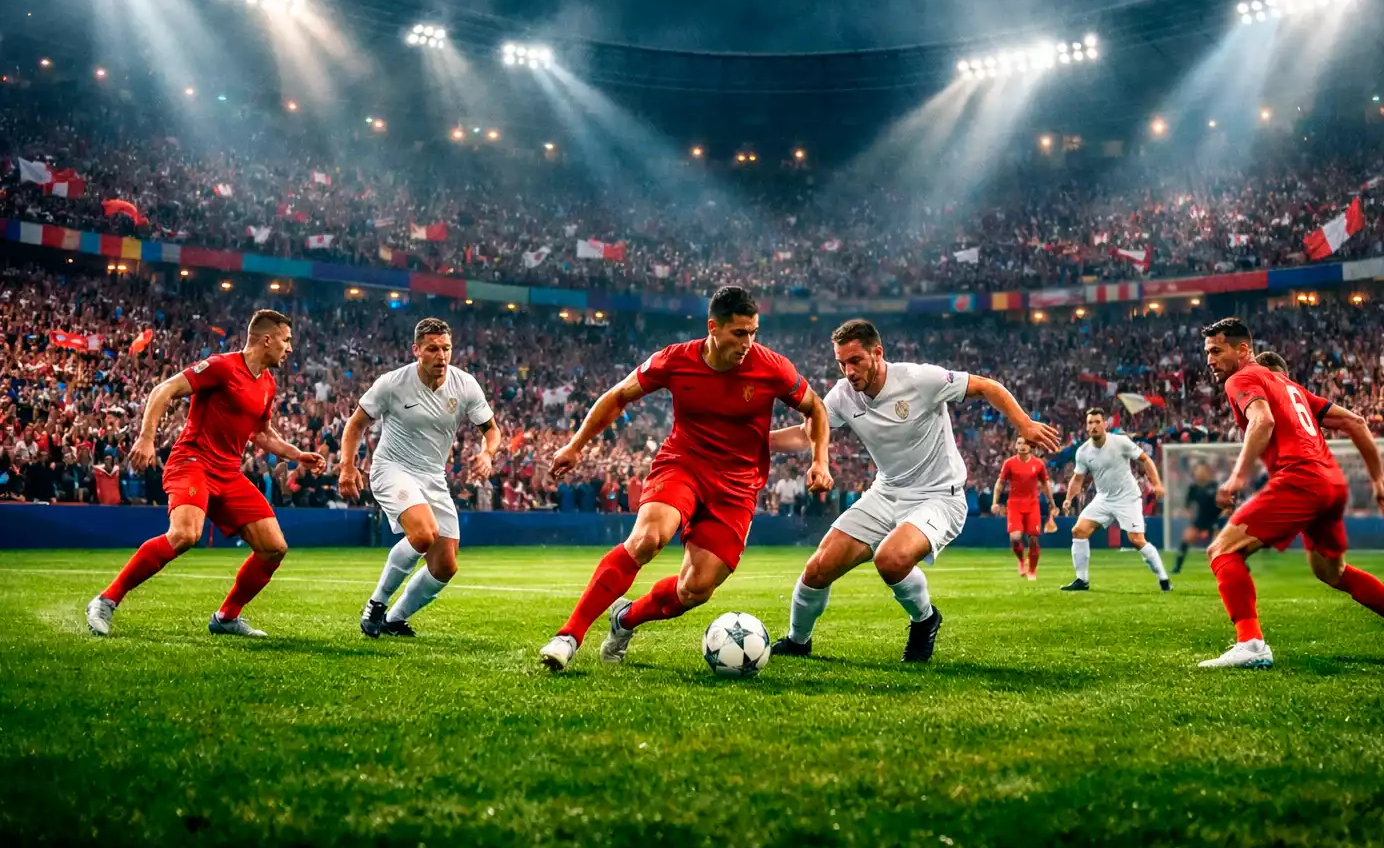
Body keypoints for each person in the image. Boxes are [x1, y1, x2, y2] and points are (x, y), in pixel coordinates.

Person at [537, 286, 831, 671]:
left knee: (695, 589)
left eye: (754, 332)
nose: (748, 343)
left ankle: (624, 620)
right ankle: (569, 636)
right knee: (646, 539)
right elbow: (618, 395)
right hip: (683, 465)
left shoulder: (772, 367)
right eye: (739, 333)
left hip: (738, 486)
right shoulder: (675, 360)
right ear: (713, 327)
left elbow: (816, 408)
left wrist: (819, 460)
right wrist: (576, 446)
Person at [769, 319, 1060, 660]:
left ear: (877, 353)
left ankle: (925, 620)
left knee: (891, 560)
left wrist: (1023, 423)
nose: (848, 371)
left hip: (939, 496)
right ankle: (797, 641)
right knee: (818, 569)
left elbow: (985, 386)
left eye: (855, 360)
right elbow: (808, 432)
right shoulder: (843, 395)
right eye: (841, 363)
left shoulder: (920, 379)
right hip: (886, 493)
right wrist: (759, 443)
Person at [1198, 320, 1384, 668]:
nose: (1209, 359)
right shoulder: (1293, 388)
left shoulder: (1242, 378)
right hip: (1329, 483)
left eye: (1216, 351)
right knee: (1332, 572)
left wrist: (1237, 478)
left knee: (1222, 550)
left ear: (1243, 350)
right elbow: (1356, 422)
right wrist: (1378, 478)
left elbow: (1263, 421)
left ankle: (1250, 644)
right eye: (1207, 352)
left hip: (1301, 479)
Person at [85, 310, 324, 637]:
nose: (290, 348)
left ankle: (226, 617)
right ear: (266, 339)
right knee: (185, 535)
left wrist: (297, 454)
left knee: (273, 546)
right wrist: (146, 438)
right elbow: (163, 390)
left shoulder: (267, 383)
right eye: (286, 340)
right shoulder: (222, 366)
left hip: (228, 472)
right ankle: (106, 600)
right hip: (193, 461)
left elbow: (262, 434)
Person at [340, 317, 500, 638]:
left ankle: (394, 619)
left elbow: (491, 431)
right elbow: (356, 424)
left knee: (445, 566)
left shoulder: (465, 384)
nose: (441, 356)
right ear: (416, 350)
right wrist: (347, 466)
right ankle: (377, 603)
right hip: (392, 468)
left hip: (432, 476)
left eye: (446, 349)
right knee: (424, 534)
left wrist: (487, 454)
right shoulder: (392, 383)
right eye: (432, 349)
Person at [1060, 408, 1171, 592]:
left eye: (1097, 422)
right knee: (1078, 531)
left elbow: (1146, 460)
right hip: (1103, 499)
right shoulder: (1083, 452)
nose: (1094, 426)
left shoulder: (1120, 442)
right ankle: (1082, 580)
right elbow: (1077, 479)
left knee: (1136, 540)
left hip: (1128, 497)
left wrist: (1157, 484)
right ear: (1086, 427)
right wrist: (1068, 498)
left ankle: (1163, 578)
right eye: (1090, 423)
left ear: (1105, 424)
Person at [992, 436, 1059, 579]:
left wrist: (1052, 503)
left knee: (1033, 539)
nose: (1023, 446)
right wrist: (995, 502)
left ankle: (1032, 570)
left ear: (1031, 447)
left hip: (1032, 504)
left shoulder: (1039, 464)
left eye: (1026, 443)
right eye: (1019, 443)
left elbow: (1046, 485)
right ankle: (1022, 560)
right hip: (1014, 504)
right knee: (1015, 537)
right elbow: (1000, 483)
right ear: (1015, 446)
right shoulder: (1009, 463)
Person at [1174, 462, 1224, 574]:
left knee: (1221, 545)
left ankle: (1239, 566)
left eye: (1201, 470)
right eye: (1197, 470)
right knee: (1186, 538)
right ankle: (1177, 567)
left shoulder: (1215, 486)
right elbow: (1188, 506)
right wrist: (1187, 513)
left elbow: (1224, 506)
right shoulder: (1193, 488)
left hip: (1215, 520)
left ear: (1207, 472)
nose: (1199, 473)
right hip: (1200, 520)